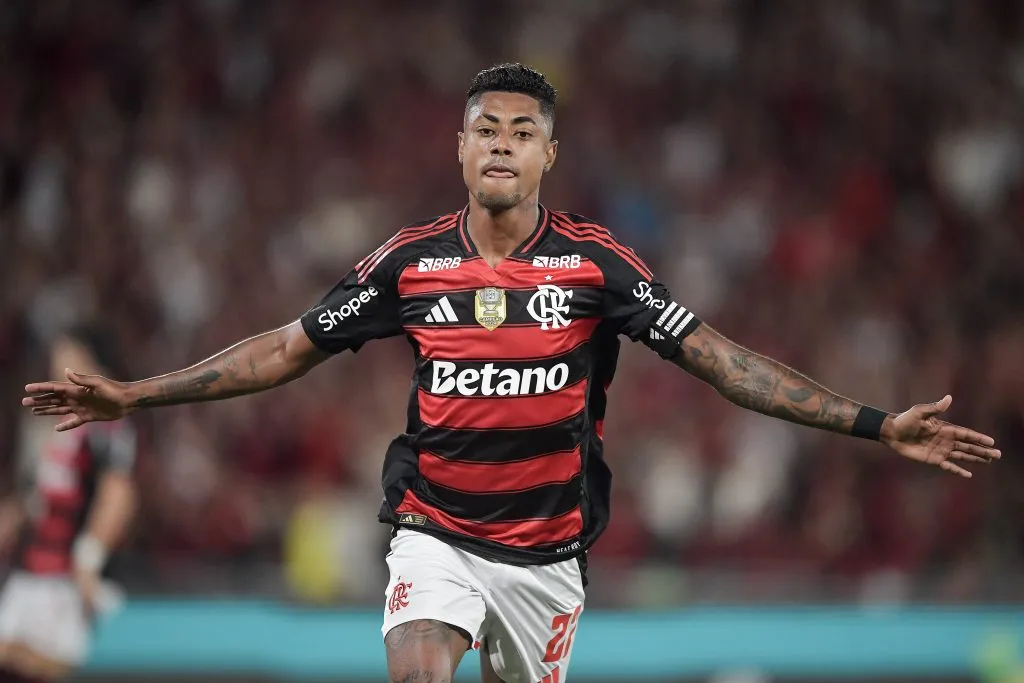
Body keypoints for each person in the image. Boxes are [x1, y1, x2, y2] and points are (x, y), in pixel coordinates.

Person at [22, 64, 1000, 683]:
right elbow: (284, 347)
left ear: (548, 155)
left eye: (520, 130)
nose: (500, 142)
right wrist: (133, 391)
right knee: (414, 668)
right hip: (434, 526)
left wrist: (876, 424)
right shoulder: (409, 261)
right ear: (458, 147)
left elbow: (721, 361)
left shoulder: (595, 264)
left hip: (546, 552)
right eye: (484, 127)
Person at [3, 326, 137, 683]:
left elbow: (118, 494)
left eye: (71, 360)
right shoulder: (39, 424)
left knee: (38, 667)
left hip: (64, 578)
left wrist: (88, 560)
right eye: (58, 359)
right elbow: (32, 496)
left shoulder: (107, 426)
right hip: (25, 569)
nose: (60, 368)